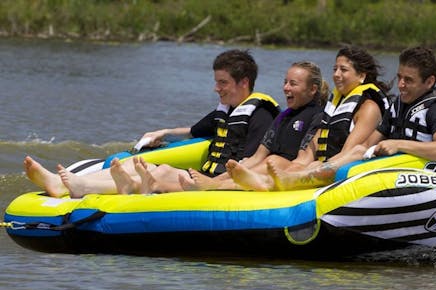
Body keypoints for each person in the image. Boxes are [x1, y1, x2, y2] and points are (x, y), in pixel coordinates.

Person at [24, 49, 280, 198]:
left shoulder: (260, 114)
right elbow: (192, 131)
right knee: (136, 163)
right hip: (204, 176)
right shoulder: (227, 111)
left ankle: (83, 187)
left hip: (217, 182)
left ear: (243, 82)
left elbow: (251, 163)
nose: (216, 89)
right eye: (216, 81)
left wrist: (214, 181)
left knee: (162, 172)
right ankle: (66, 184)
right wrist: (163, 133)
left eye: (223, 83)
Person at [268, 46, 436, 191]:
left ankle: (299, 179)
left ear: (429, 81)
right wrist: (323, 164)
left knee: (357, 152)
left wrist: (398, 144)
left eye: (408, 80)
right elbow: (367, 144)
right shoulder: (399, 106)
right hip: (394, 166)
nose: (400, 85)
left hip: (420, 169)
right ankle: (285, 180)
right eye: (399, 77)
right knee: (359, 149)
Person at [126, 61, 330, 193]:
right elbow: (257, 157)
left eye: (293, 84)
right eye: (285, 82)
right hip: (268, 167)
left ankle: (212, 187)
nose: (286, 88)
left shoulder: (319, 116)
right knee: (263, 161)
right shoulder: (282, 117)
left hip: (291, 172)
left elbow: (304, 160)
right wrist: (221, 176)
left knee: (274, 161)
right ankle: (204, 185)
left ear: (312, 89)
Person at [213, 46, 391, 191]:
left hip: (343, 169)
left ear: (361, 76)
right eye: (335, 69)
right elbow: (307, 154)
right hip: (321, 164)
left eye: (343, 70)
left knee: (308, 165)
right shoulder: (332, 109)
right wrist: (296, 166)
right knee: (297, 165)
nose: (336, 74)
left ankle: (228, 185)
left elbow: (348, 153)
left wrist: (309, 168)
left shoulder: (369, 108)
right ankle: (222, 184)